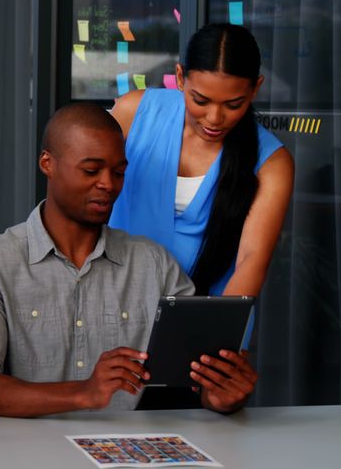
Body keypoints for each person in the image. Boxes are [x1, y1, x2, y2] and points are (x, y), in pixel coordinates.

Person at [0, 103, 257, 417]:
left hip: (132, 456)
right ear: (47, 163)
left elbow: (197, 375)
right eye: (91, 170)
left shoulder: (153, 264)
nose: (108, 184)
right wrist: (83, 392)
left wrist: (220, 394)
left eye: (118, 172)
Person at [109, 24, 294, 297]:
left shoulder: (271, 163)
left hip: (207, 312)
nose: (214, 118)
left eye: (233, 105)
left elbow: (251, 260)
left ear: (255, 89)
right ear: (181, 78)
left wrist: (217, 331)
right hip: (115, 299)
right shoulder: (133, 113)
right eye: (201, 100)